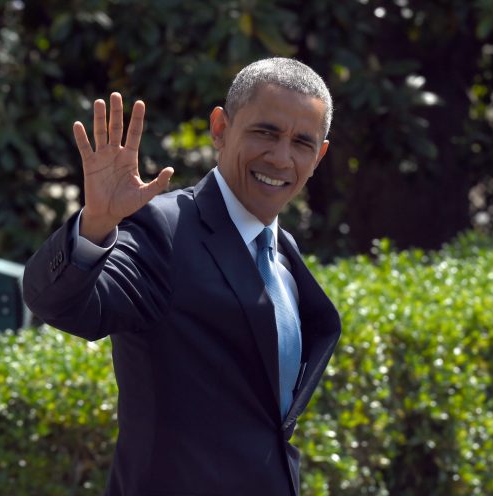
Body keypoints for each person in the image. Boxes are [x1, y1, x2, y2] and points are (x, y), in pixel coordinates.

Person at [22, 57, 341, 496]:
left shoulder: (284, 253)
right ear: (220, 128)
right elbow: (63, 304)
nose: (281, 157)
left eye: (302, 142)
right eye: (265, 132)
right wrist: (95, 225)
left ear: (319, 155)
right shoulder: (163, 229)